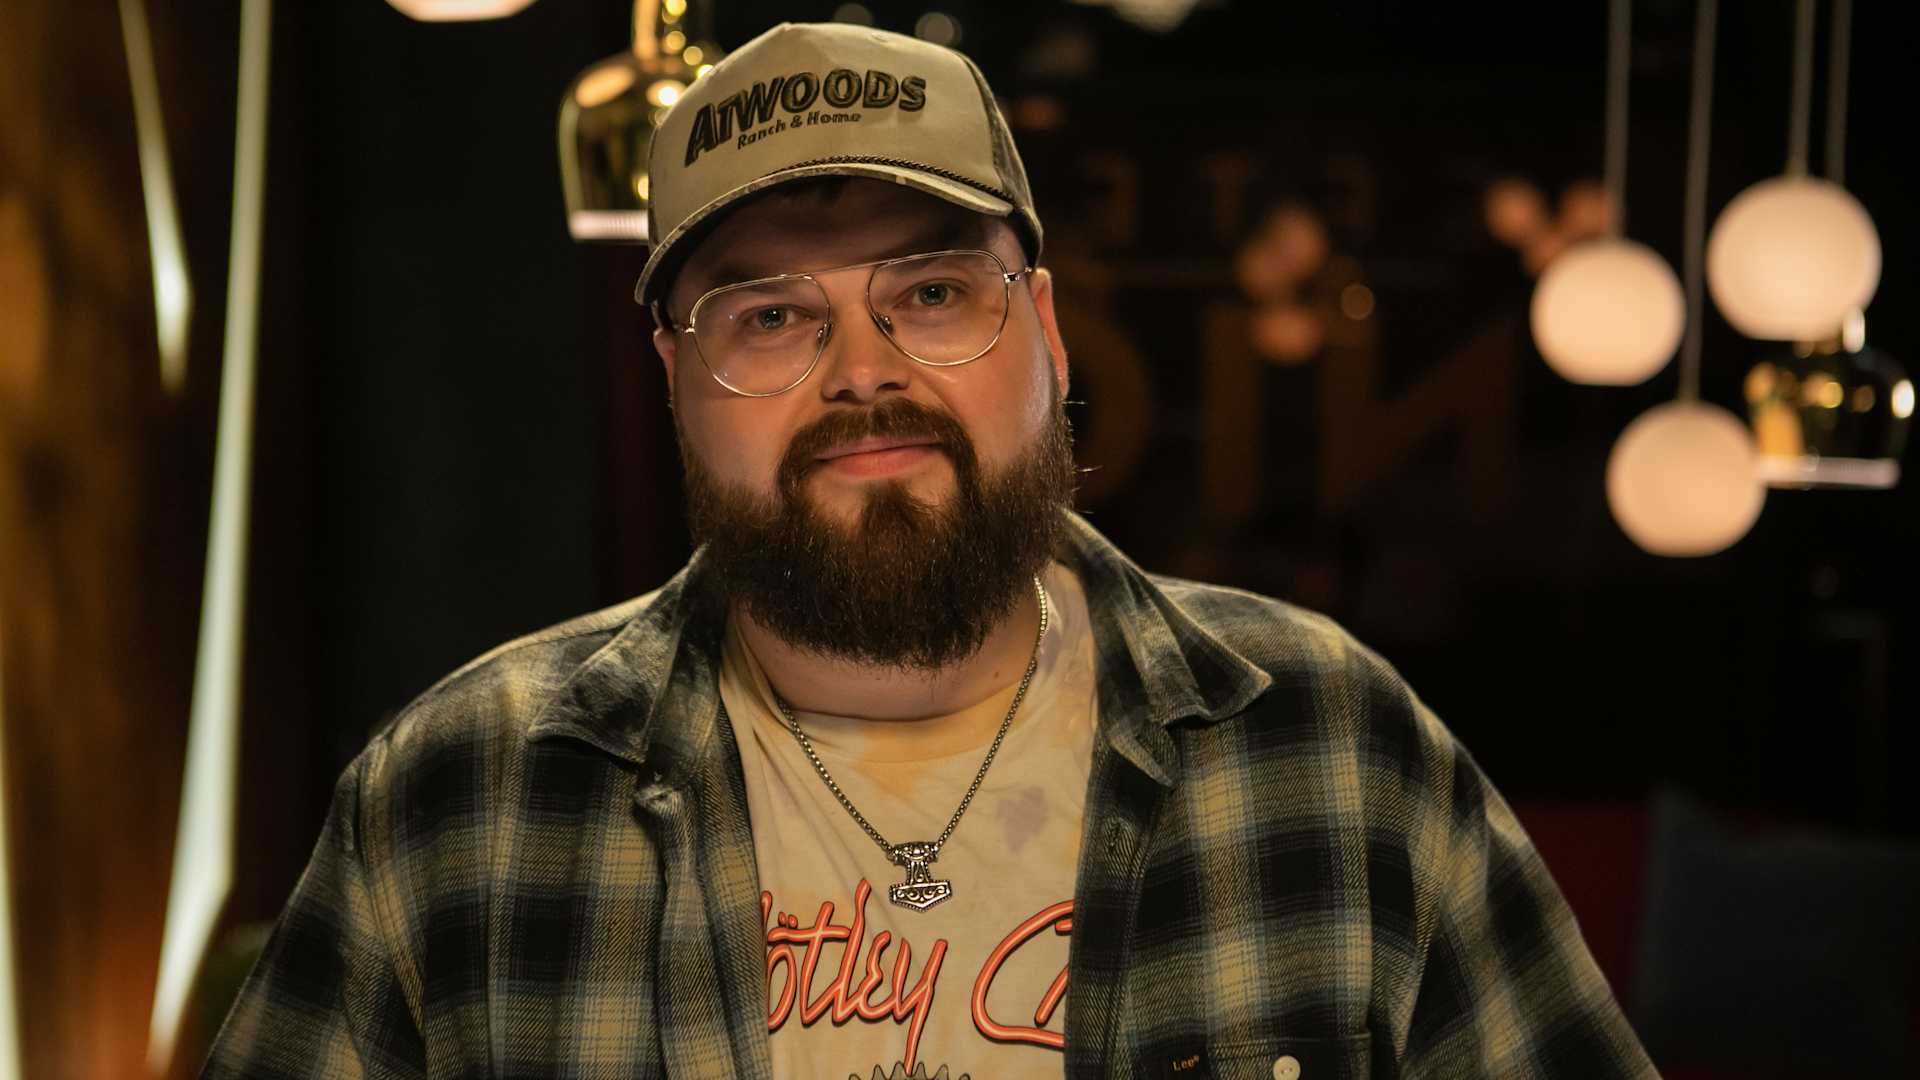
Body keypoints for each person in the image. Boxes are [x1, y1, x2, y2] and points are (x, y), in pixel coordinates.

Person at [205, 21, 1659, 1080]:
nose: (864, 371)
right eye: (772, 316)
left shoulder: (1332, 746)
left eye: (935, 292)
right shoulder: (456, 800)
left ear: (1047, 332)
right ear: (674, 382)